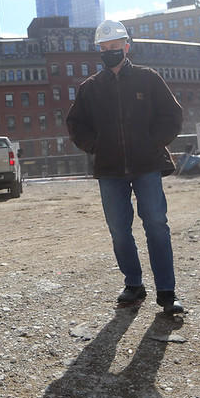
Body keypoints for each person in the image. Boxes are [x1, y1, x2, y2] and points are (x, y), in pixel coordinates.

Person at [66, 19, 185, 314]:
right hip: (109, 170)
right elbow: (75, 123)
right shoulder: (90, 88)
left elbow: (172, 114)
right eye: (104, 48)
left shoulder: (148, 78)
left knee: (156, 225)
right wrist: (94, 145)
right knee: (119, 230)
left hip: (147, 165)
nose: (109, 52)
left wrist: (153, 142)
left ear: (126, 47)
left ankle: (167, 291)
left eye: (115, 47)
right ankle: (133, 283)